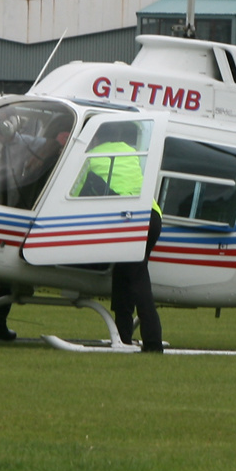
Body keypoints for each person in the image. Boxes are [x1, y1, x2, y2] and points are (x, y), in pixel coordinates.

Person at [73, 121, 163, 352]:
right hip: (152, 216)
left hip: (130, 218)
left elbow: (74, 191)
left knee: (137, 278)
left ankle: (153, 342)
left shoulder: (90, 155)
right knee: (123, 276)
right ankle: (123, 336)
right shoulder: (131, 151)